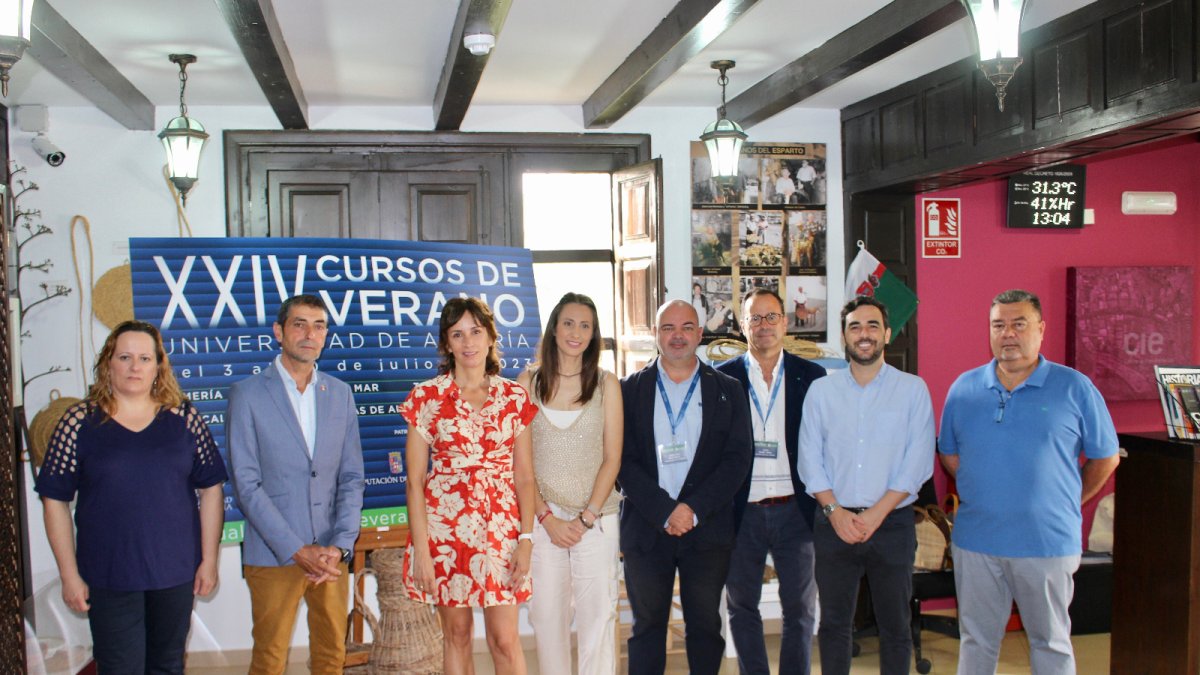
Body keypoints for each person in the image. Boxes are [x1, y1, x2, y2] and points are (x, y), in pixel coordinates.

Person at [938, 289, 1119, 675]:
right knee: (976, 642)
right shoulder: (964, 389)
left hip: (1046, 543)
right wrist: (985, 487)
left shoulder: (1075, 387)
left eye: (1019, 324)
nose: (1008, 334)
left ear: (1040, 329)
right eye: (998, 325)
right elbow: (951, 456)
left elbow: (1106, 456)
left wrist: (1068, 498)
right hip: (977, 543)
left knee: (1050, 643)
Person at [37, 320, 226, 673]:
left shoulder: (184, 418)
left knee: (167, 665)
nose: (134, 366)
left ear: (158, 366)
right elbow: (54, 500)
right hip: (108, 575)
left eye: (144, 358)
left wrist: (209, 560)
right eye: (125, 357)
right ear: (109, 363)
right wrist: (69, 575)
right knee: (120, 667)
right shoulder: (79, 421)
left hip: (175, 572)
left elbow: (211, 489)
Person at [228, 294, 365, 675]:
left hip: (329, 557)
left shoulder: (340, 393)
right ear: (279, 331)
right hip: (274, 554)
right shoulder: (247, 395)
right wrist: (295, 548)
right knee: (269, 660)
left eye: (319, 325)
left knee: (330, 657)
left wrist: (339, 545)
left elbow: (352, 477)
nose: (310, 333)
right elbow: (246, 483)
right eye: (299, 324)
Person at [400, 297, 538, 674]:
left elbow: (525, 478)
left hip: (502, 532)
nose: (468, 342)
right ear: (446, 343)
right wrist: (423, 552)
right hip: (444, 534)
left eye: (476, 331)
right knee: (457, 635)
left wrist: (526, 540)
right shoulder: (425, 397)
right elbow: (414, 482)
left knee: (505, 640)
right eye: (457, 334)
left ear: (491, 336)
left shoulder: (514, 398)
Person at [798, 296, 935, 675]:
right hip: (833, 523)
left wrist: (876, 514)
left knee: (895, 625)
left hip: (891, 525)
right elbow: (810, 461)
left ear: (887, 334)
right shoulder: (821, 392)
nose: (864, 334)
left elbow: (917, 464)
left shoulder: (913, 391)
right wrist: (835, 512)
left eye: (873, 326)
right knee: (835, 625)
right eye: (855, 326)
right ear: (844, 336)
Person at [618, 299, 753, 675]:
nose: (677, 336)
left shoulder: (728, 389)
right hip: (647, 528)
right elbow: (621, 461)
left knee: (706, 626)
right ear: (656, 335)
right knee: (646, 628)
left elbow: (738, 459)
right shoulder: (628, 391)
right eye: (668, 328)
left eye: (687, 327)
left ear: (700, 333)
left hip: (707, 531)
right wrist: (665, 510)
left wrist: (691, 510)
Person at [716, 289, 827, 675]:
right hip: (740, 511)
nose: (763, 326)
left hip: (795, 508)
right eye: (755, 319)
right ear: (743, 325)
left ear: (785, 322)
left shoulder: (812, 376)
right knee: (741, 605)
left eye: (771, 317)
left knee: (800, 608)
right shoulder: (722, 377)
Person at [518, 293, 623, 675]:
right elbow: (522, 463)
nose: (576, 332)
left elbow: (612, 457)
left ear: (594, 334)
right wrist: (546, 518)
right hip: (543, 522)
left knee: (598, 620)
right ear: (554, 328)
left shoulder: (607, 384)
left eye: (585, 325)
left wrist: (584, 519)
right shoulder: (527, 382)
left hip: (596, 521)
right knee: (546, 618)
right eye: (568, 323)